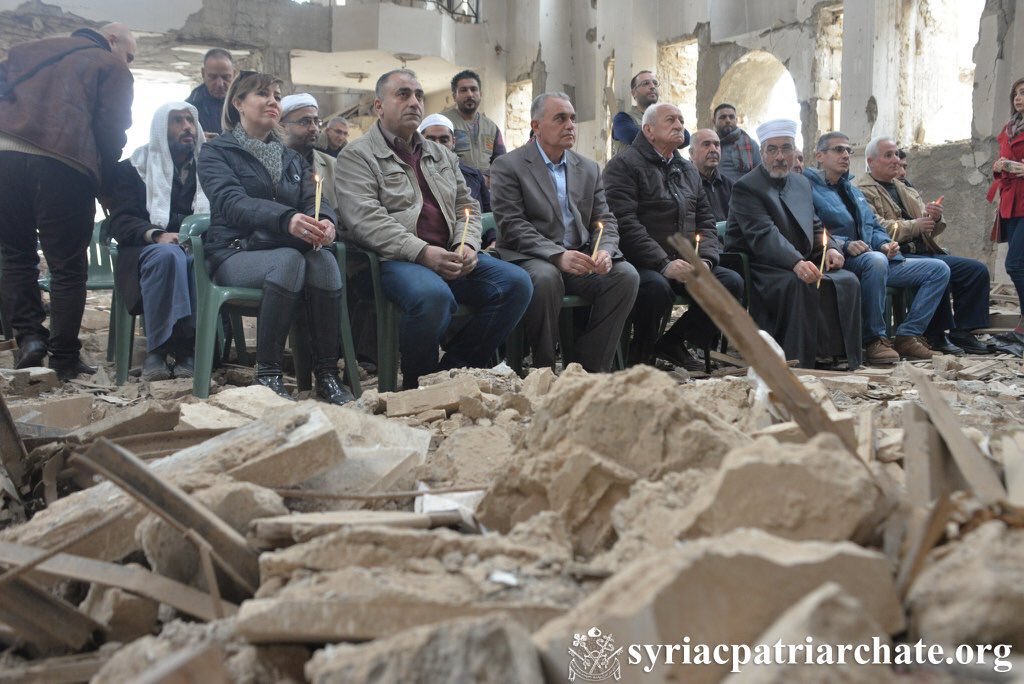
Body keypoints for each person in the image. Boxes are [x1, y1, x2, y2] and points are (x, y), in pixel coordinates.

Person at [335, 69, 532, 390]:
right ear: (378, 106)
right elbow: (365, 220)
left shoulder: (439, 153)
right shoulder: (357, 156)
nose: (414, 101)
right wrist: (423, 252)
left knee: (517, 283)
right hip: (394, 262)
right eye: (403, 94)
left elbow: (466, 207)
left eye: (418, 95)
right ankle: (417, 383)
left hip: (450, 255)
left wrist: (466, 244)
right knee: (433, 296)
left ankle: (448, 373)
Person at [198, 71, 353, 404]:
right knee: (289, 260)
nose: (272, 101)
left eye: (277, 96)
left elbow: (317, 199)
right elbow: (231, 201)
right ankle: (267, 375)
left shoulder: (291, 158)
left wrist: (324, 222)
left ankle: (326, 374)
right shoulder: (217, 152)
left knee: (323, 259)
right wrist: (286, 219)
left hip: (282, 249)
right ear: (238, 103)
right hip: (234, 252)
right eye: (261, 94)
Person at [0, 22, 135, 381]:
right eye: (130, 54)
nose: (130, 62)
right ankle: (63, 357)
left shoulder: (23, 51)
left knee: (15, 254)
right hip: (65, 163)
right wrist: (106, 179)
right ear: (111, 40)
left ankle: (28, 339)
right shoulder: (110, 65)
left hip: (4, 158)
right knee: (68, 265)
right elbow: (112, 129)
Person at [491, 91, 640, 372]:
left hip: (581, 257)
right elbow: (512, 224)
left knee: (625, 276)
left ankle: (586, 369)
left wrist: (604, 251)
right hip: (531, 257)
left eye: (572, 118)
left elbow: (605, 220)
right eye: (560, 118)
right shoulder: (509, 166)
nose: (570, 125)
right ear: (536, 126)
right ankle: (543, 368)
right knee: (546, 278)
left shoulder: (588, 167)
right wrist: (557, 255)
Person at [604, 103, 743, 369]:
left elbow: (706, 221)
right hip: (640, 261)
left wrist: (706, 261)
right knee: (656, 288)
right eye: (670, 120)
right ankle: (640, 354)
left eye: (681, 119)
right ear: (648, 130)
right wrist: (663, 263)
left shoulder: (687, 169)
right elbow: (624, 222)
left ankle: (673, 342)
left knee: (730, 282)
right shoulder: (624, 165)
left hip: (685, 261)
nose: (679, 125)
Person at [724, 118, 862, 370]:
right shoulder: (746, 187)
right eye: (772, 149)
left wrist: (831, 246)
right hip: (761, 265)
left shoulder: (800, 183)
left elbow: (816, 224)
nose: (779, 156)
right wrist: (796, 262)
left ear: (795, 151)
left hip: (797, 259)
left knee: (847, 280)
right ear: (762, 152)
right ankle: (799, 357)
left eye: (786, 148)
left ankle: (835, 354)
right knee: (800, 282)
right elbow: (764, 234)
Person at [805, 132, 948, 362]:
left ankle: (908, 335)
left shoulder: (851, 189)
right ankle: (874, 340)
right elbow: (810, 227)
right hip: (841, 259)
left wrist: (884, 244)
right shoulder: (808, 188)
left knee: (938, 269)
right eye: (838, 150)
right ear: (819, 156)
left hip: (874, 258)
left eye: (848, 151)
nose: (845, 155)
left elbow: (872, 224)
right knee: (876, 261)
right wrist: (845, 244)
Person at [855, 137, 991, 354]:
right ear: (870, 161)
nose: (896, 160)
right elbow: (875, 227)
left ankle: (964, 332)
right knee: (938, 271)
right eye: (888, 155)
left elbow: (927, 225)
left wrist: (933, 217)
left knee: (975, 271)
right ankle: (933, 335)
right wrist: (915, 226)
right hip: (898, 255)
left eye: (897, 155)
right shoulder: (862, 190)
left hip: (925, 251)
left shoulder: (903, 187)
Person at [108, 102, 209, 381]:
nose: (187, 127)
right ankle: (159, 350)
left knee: (190, 259)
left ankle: (189, 351)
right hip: (144, 250)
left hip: (197, 247)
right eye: (177, 121)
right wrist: (157, 235)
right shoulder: (133, 169)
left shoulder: (210, 169)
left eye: (190, 120)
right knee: (169, 256)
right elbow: (121, 220)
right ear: (159, 130)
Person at [989, 76, 1024, 346]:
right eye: (1016, 94)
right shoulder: (1009, 128)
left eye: (1023, 93)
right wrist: (999, 166)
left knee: (1015, 264)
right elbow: (1001, 162)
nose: (1019, 98)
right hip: (1011, 201)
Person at [418, 113, 492, 239]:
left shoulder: (473, 175)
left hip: (472, 247)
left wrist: (492, 239)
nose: (438, 145)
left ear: (453, 142)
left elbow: (488, 215)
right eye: (431, 139)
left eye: (443, 140)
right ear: (419, 141)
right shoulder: (412, 174)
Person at [441, 69, 506, 176]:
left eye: (473, 89)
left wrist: (490, 177)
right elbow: (439, 157)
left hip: (486, 187)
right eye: (463, 90)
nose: (470, 94)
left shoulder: (491, 127)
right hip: (456, 185)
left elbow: (500, 158)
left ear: (480, 94)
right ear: (454, 96)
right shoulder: (444, 123)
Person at [279, 93, 338, 212]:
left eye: (316, 122)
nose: (314, 129)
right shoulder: (272, 163)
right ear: (282, 126)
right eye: (304, 122)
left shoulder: (333, 165)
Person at [186, 48, 235, 139]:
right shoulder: (189, 108)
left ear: (234, 75)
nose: (220, 84)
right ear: (203, 74)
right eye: (213, 77)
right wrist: (198, 140)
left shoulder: (247, 103)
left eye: (226, 77)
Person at [689, 128, 733, 222]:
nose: (713, 149)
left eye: (717, 145)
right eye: (706, 144)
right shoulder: (684, 184)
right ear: (692, 153)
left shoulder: (730, 185)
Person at [714, 103, 762, 183]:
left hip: (744, 193)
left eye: (731, 117)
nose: (728, 120)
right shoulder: (709, 144)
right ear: (714, 121)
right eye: (723, 117)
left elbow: (761, 175)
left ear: (736, 120)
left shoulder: (750, 144)